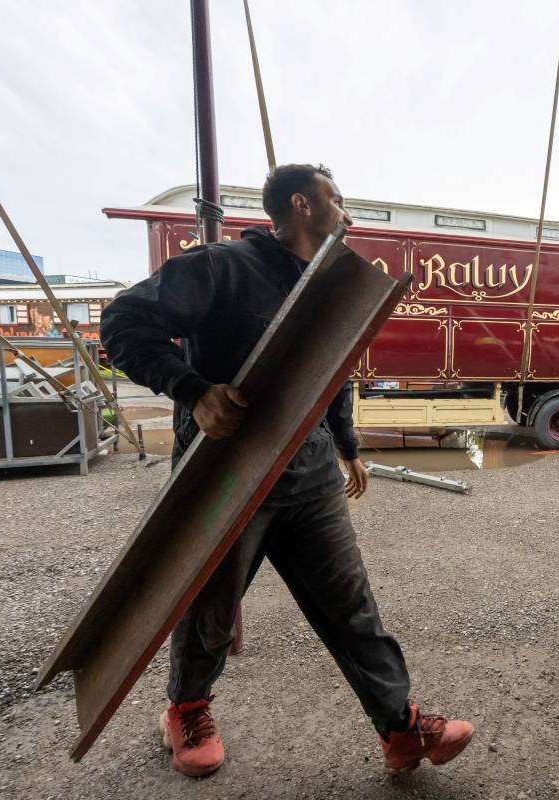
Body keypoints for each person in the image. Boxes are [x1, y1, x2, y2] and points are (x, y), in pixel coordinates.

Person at [100, 164, 472, 779]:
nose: (347, 214)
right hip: (226, 478)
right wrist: (192, 389)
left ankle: (400, 730)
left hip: (310, 479)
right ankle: (186, 711)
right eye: (337, 200)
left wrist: (348, 445)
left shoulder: (329, 285)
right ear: (301, 205)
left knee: (352, 609)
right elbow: (121, 325)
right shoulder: (220, 269)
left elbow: (333, 372)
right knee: (209, 610)